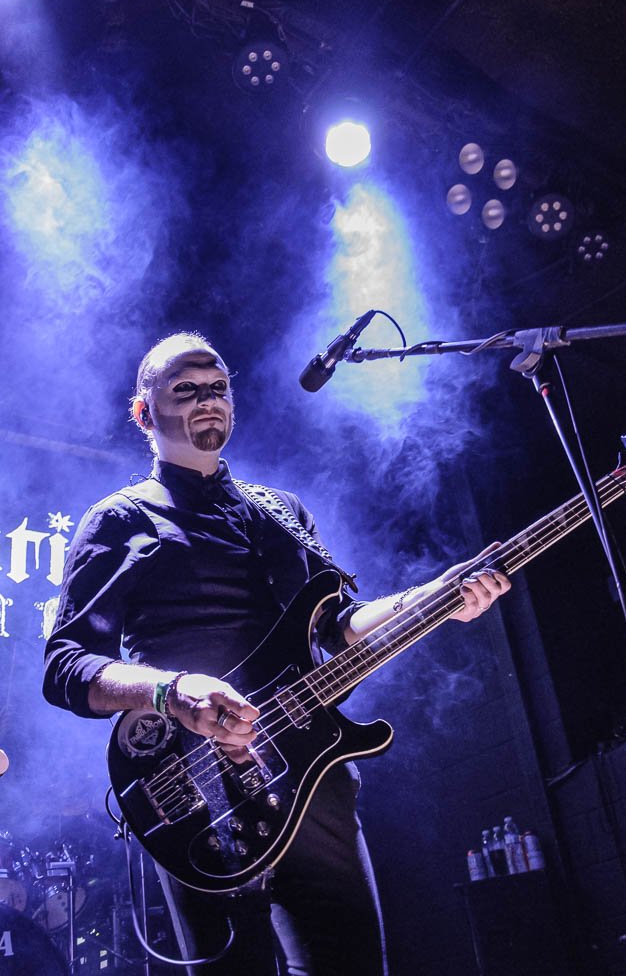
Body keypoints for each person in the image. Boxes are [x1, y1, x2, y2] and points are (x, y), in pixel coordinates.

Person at [43, 332, 510, 975]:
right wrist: (170, 690)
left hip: (313, 774)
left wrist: (430, 598)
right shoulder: (120, 520)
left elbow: (337, 627)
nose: (208, 399)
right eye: (186, 389)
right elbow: (66, 664)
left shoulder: (280, 511)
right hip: (194, 780)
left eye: (218, 388)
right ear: (144, 413)